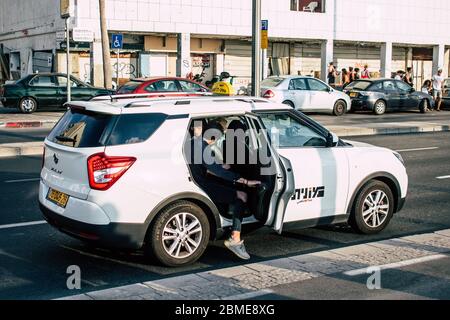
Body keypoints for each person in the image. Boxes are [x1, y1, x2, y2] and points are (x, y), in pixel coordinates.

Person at [188, 120, 261, 260]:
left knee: (230, 185)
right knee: (241, 195)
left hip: (200, 179)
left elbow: (210, 166)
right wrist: (246, 181)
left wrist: (220, 165)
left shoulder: (195, 142)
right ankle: (235, 238)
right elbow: (218, 172)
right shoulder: (203, 148)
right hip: (203, 185)